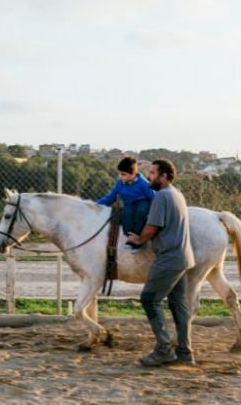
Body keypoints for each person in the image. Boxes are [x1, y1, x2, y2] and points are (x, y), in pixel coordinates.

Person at [127, 158, 196, 367]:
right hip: (183, 257)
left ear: (164, 175)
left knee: (149, 300)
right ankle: (184, 353)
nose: (149, 176)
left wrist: (138, 239)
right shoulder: (177, 194)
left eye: (153, 173)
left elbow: (152, 227)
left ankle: (164, 350)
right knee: (179, 306)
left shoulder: (162, 196)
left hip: (168, 259)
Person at [96, 156, 155, 250]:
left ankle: (139, 239)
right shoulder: (120, 183)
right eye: (119, 174)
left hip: (143, 202)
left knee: (141, 211)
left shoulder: (143, 183)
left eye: (123, 174)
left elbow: (153, 196)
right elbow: (111, 197)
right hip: (129, 203)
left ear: (133, 174)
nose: (120, 176)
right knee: (126, 213)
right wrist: (96, 204)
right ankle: (130, 239)